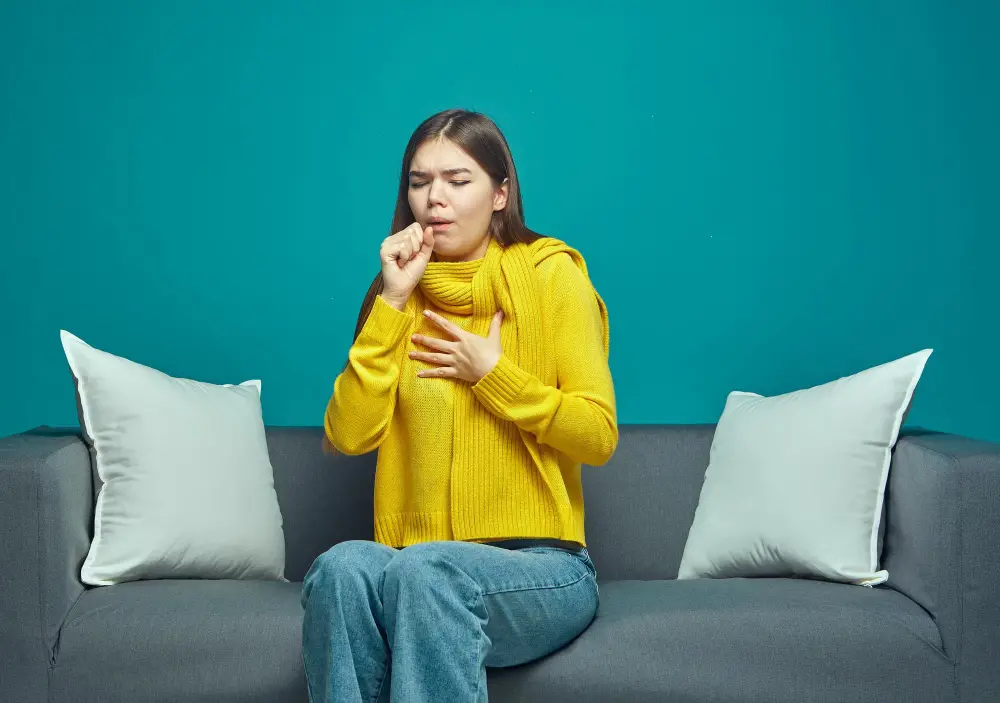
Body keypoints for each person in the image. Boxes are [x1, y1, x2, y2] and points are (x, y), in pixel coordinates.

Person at [301, 108, 617, 702]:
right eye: (419, 183)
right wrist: (392, 303)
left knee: (429, 573)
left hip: (542, 568)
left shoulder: (554, 277)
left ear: (500, 194)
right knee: (341, 567)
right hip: (416, 565)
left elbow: (597, 435)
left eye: (457, 180)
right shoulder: (396, 294)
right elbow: (349, 434)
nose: (434, 199)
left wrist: (494, 376)